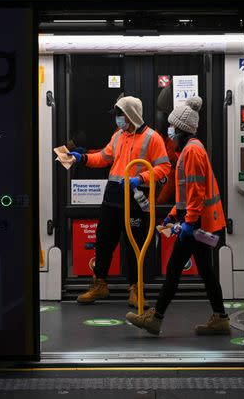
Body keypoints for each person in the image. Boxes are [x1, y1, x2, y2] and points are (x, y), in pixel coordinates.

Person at [126, 96, 230, 336]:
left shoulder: (192, 152)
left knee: (174, 268)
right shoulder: (189, 150)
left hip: (196, 223)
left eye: (172, 128)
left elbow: (196, 191)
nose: (169, 131)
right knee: (205, 270)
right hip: (194, 221)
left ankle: (156, 318)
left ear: (182, 130)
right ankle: (221, 317)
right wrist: (173, 216)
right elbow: (185, 194)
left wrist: (188, 223)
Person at [66, 95, 171, 307]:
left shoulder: (153, 138)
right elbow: (104, 158)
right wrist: (82, 158)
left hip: (136, 199)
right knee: (103, 242)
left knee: (135, 246)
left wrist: (139, 178)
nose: (117, 120)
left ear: (131, 115)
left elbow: (164, 168)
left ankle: (135, 290)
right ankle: (100, 285)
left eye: (120, 115)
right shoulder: (118, 136)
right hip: (112, 197)